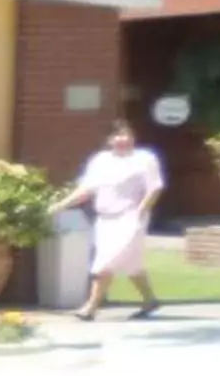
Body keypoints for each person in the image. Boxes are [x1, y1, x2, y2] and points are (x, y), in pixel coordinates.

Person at [56, 122, 165, 320]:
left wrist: (142, 209)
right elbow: (86, 190)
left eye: (126, 135)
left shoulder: (145, 159)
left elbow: (155, 187)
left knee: (104, 263)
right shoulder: (100, 161)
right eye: (117, 136)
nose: (122, 139)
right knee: (132, 263)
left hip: (131, 218)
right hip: (105, 220)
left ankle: (90, 308)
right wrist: (60, 205)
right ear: (108, 140)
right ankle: (150, 300)